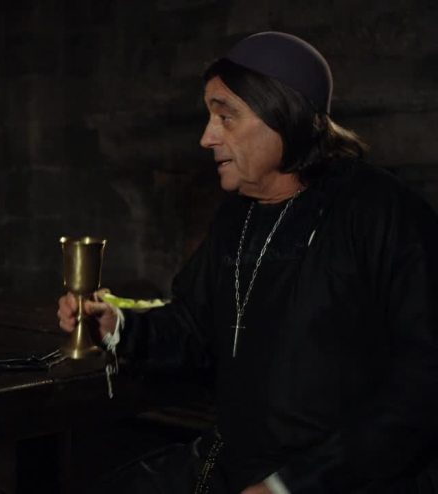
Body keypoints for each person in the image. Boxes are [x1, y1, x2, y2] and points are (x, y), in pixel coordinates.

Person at [58, 32, 438, 493]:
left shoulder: (382, 212)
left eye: (225, 117)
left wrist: (290, 486)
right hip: (235, 460)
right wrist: (117, 326)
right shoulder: (236, 216)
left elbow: (422, 386)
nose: (206, 137)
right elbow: (194, 327)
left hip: (340, 478)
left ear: (283, 114)